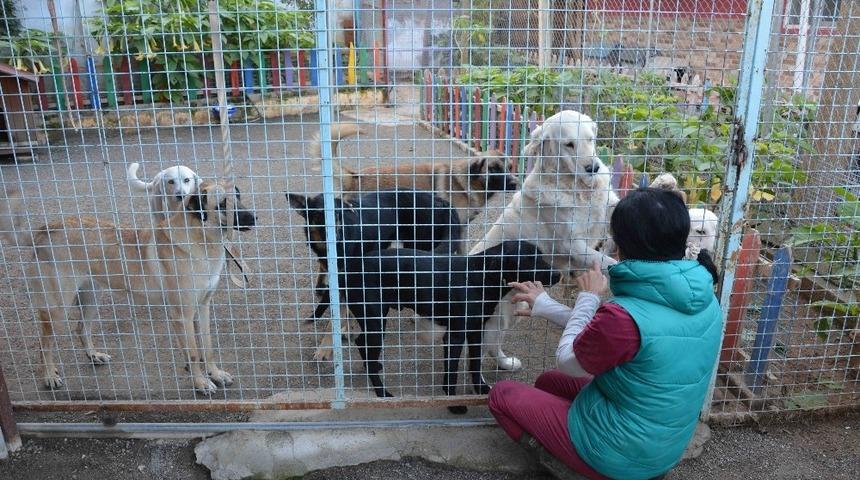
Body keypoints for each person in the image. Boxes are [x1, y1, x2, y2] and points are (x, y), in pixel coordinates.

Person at [488, 187, 722, 480]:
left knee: (501, 395)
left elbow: (569, 361)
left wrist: (588, 297)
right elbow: (611, 334)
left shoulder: (623, 316)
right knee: (547, 382)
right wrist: (546, 306)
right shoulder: (703, 294)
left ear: (620, 247)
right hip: (663, 443)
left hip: (621, 453)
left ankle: (576, 469)